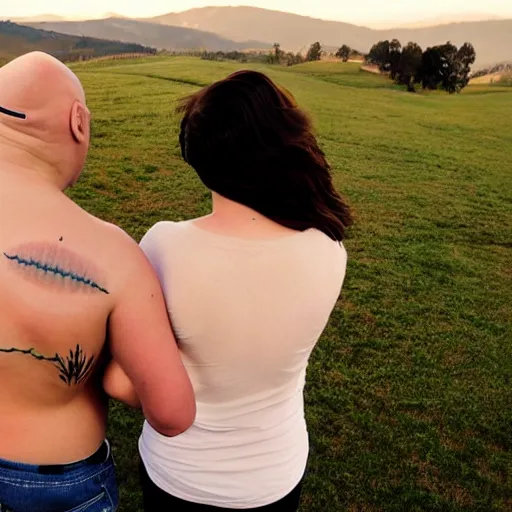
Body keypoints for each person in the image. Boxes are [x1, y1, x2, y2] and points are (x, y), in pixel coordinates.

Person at [111, 69, 351, 510]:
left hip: (181, 476)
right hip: (277, 473)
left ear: (201, 159)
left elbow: (130, 385)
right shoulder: (330, 247)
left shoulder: (166, 246)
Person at [0, 52, 195, 512]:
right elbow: (172, 413)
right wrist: (112, 368)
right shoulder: (112, 256)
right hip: (58, 491)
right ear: (78, 123)